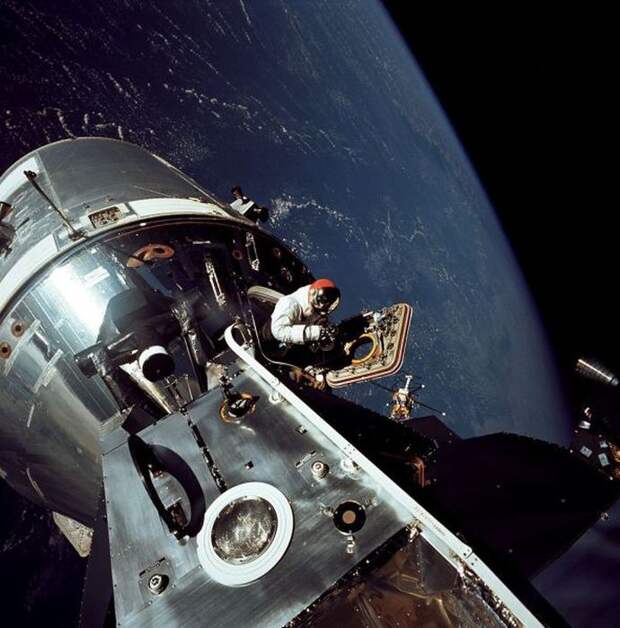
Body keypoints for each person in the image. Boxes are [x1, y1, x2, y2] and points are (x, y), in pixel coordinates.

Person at [269, 278, 340, 348]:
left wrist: (327, 335)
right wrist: (316, 333)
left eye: (326, 304)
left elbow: (320, 327)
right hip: (267, 341)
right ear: (313, 292)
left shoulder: (316, 311)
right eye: (323, 300)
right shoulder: (289, 304)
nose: (322, 305)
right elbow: (278, 330)